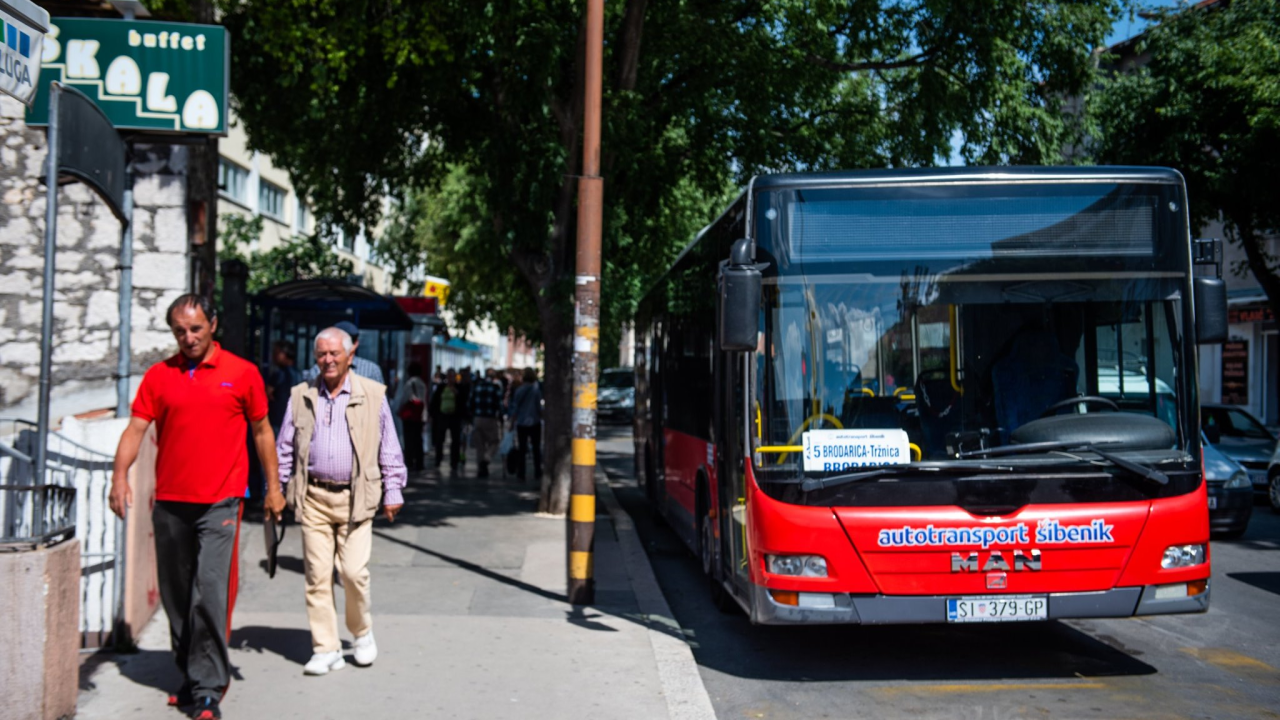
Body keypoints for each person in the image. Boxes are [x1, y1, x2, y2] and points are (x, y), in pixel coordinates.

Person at [108, 294, 283, 720]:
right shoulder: (159, 376)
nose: (189, 338)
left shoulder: (241, 373)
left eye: (196, 328)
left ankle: (208, 688)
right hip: (169, 502)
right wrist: (118, 476)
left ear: (214, 324)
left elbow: (261, 431)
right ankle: (190, 672)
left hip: (220, 502)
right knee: (176, 596)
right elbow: (135, 428)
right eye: (180, 331)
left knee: (209, 593)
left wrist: (273, 487)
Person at [275, 326, 406, 676]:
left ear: (350, 356)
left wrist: (393, 491)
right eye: (322, 354)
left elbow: (389, 448)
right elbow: (284, 448)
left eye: (335, 353)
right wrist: (276, 490)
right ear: (315, 357)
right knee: (317, 576)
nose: (328, 360)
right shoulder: (301, 395)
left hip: (356, 499)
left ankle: (361, 633)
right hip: (314, 496)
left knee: (352, 573)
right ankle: (326, 647)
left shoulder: (372, 394)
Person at [302, 320, 385, 385]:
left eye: (334, 353)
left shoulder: (371, 370)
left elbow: (379, 401)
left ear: (355, 344)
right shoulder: (317, 370)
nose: (328, 360)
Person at [507, 367, 543, 482]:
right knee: (536, 448)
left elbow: (515, 408)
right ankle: (537, 471)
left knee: (522, 449)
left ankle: (521, 473)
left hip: (521, 423)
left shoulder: (519, 390)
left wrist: (512, 422)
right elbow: (539, 407)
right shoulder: (536, 389)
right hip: (534, 422)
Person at [469, 369, 505, 477]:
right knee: (494, 442)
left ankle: (481, 468)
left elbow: (470, 403)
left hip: (478, 418)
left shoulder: (477, 387)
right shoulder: (495, 388)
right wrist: (501, 417)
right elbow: (500, 405)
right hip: (490, 418)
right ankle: (486, 458)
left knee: (480, 446)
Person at [393, 362, 428, 471]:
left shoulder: (409, 383)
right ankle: (419, 462)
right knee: (418, 439)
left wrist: (398, 410)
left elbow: (404, 398)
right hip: (419, 415)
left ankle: (409, 461)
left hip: (409, 415)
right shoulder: (422, 384)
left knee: (409, 439)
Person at [429, 371, 464, 470]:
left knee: (455, 440)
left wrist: (456, 393)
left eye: (453, 376)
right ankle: (438, 459)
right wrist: (433, 415)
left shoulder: (458, 388)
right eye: (449, 376)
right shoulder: (441, 387)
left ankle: (454, 461)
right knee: (440, 439)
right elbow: (435, 401)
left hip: (454, 417)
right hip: (442, 416)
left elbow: (462, 402)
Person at [265, 340, 302, 434]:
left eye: (276, 353)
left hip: (277, 418)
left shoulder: (279, 374)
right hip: (294, 417)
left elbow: (267, 393)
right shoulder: (298, 373)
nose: (274, 356)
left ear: (286, 354)